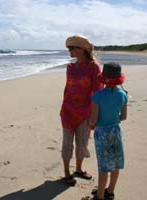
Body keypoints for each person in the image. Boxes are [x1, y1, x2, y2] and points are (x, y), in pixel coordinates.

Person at [60, 35, 103, 186]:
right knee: (67, 143)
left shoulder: (94, 67)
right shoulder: (70, 68)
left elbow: (98, 92)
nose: (69, 50)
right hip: (67, 111)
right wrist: (63, 107)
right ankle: (66, 171)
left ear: (83, 49)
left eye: (72, 48)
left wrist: (95, 116)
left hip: (86, 111)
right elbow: (67, 89)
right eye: (68, 48)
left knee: (82, 144)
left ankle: (78, 169)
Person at [82, 62, 128, 200]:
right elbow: (123, 117)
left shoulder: (98, 95)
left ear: (104, 77)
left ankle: (100, 196)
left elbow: (93, 119)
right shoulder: (123, 95)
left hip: (102, 133)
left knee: (103, 166)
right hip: (116, 131)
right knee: (116, 162)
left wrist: (89, 124)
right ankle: (110, 191)